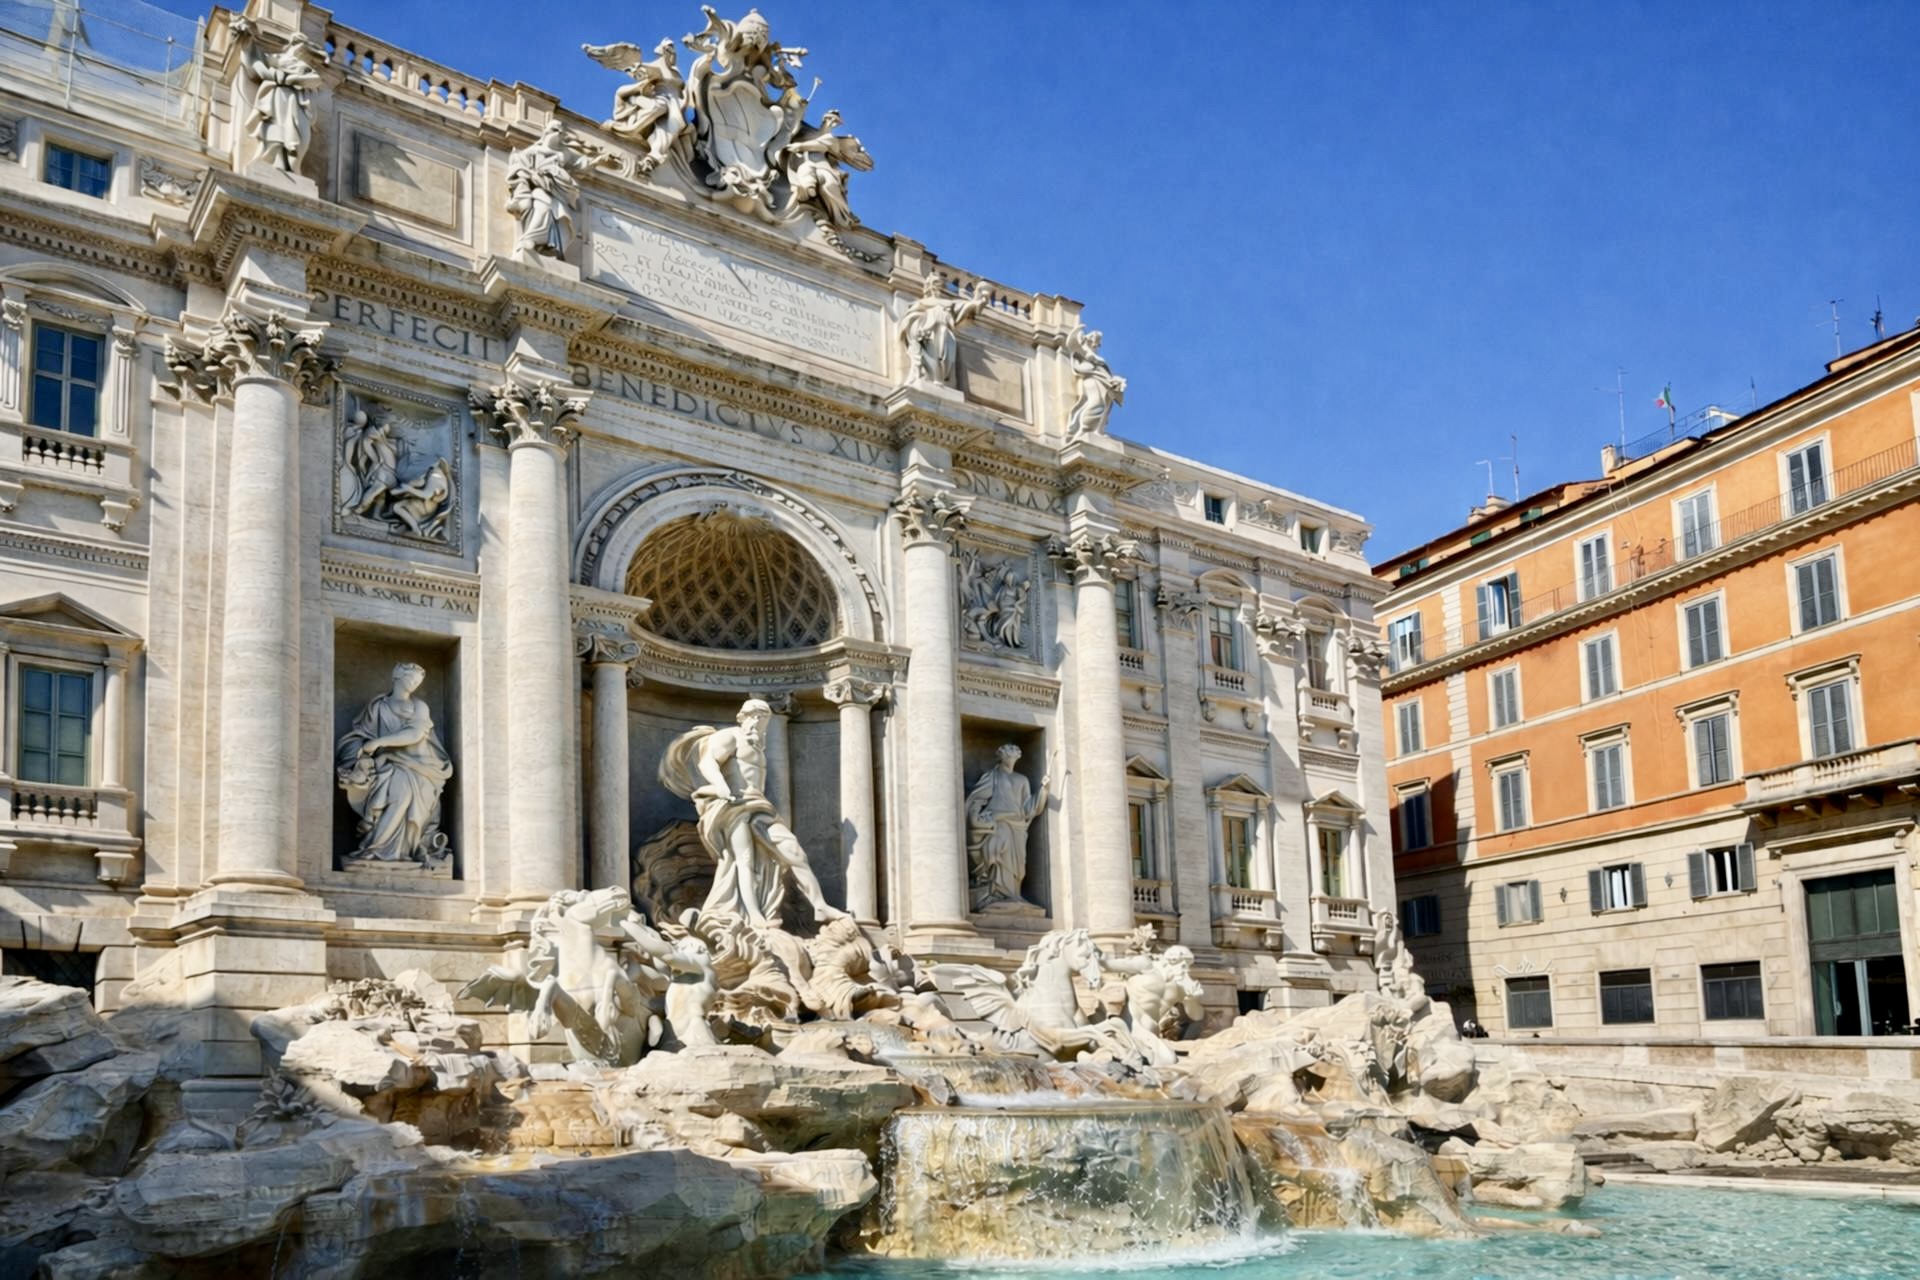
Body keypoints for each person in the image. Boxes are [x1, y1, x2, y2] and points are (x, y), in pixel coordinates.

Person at [658, 698, 847, 926]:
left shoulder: (758, 744)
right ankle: (753, 915)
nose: (758, 722)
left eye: (763, 718)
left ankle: (819, 905)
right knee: (744, 859)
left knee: (794, 851)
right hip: (733, 805)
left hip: (758, 806)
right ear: (743, 717)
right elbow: (707, 763)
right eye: (754, 716)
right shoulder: (729, 736)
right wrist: (721, 786)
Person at [335, 662, 454, 863]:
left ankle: (389, 850)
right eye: (412, 678)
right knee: (397, 788)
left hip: (420, 766)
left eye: (419, 681)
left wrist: (379, 742)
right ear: (397, 676)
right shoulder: (378, 707)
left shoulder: (419, 706)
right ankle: (377, 849)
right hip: (385, 764)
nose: (415, 683)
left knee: (404, 790)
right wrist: (363, 752)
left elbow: (415, 734)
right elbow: (360, 736)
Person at [964, 744, 1050, 910]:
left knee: (1017, 866)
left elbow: (1028, 808)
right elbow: (976, 799)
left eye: (1014, 755)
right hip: (998, 824)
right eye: (1007, 754)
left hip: (1017, 826)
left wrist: (1043, 790)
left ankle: (1013, 895)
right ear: (1001, 756)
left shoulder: (1022, 779)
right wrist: (977, 818)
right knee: (996, 854)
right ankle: (995, 894)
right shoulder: (992, 776)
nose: (1010, 759)